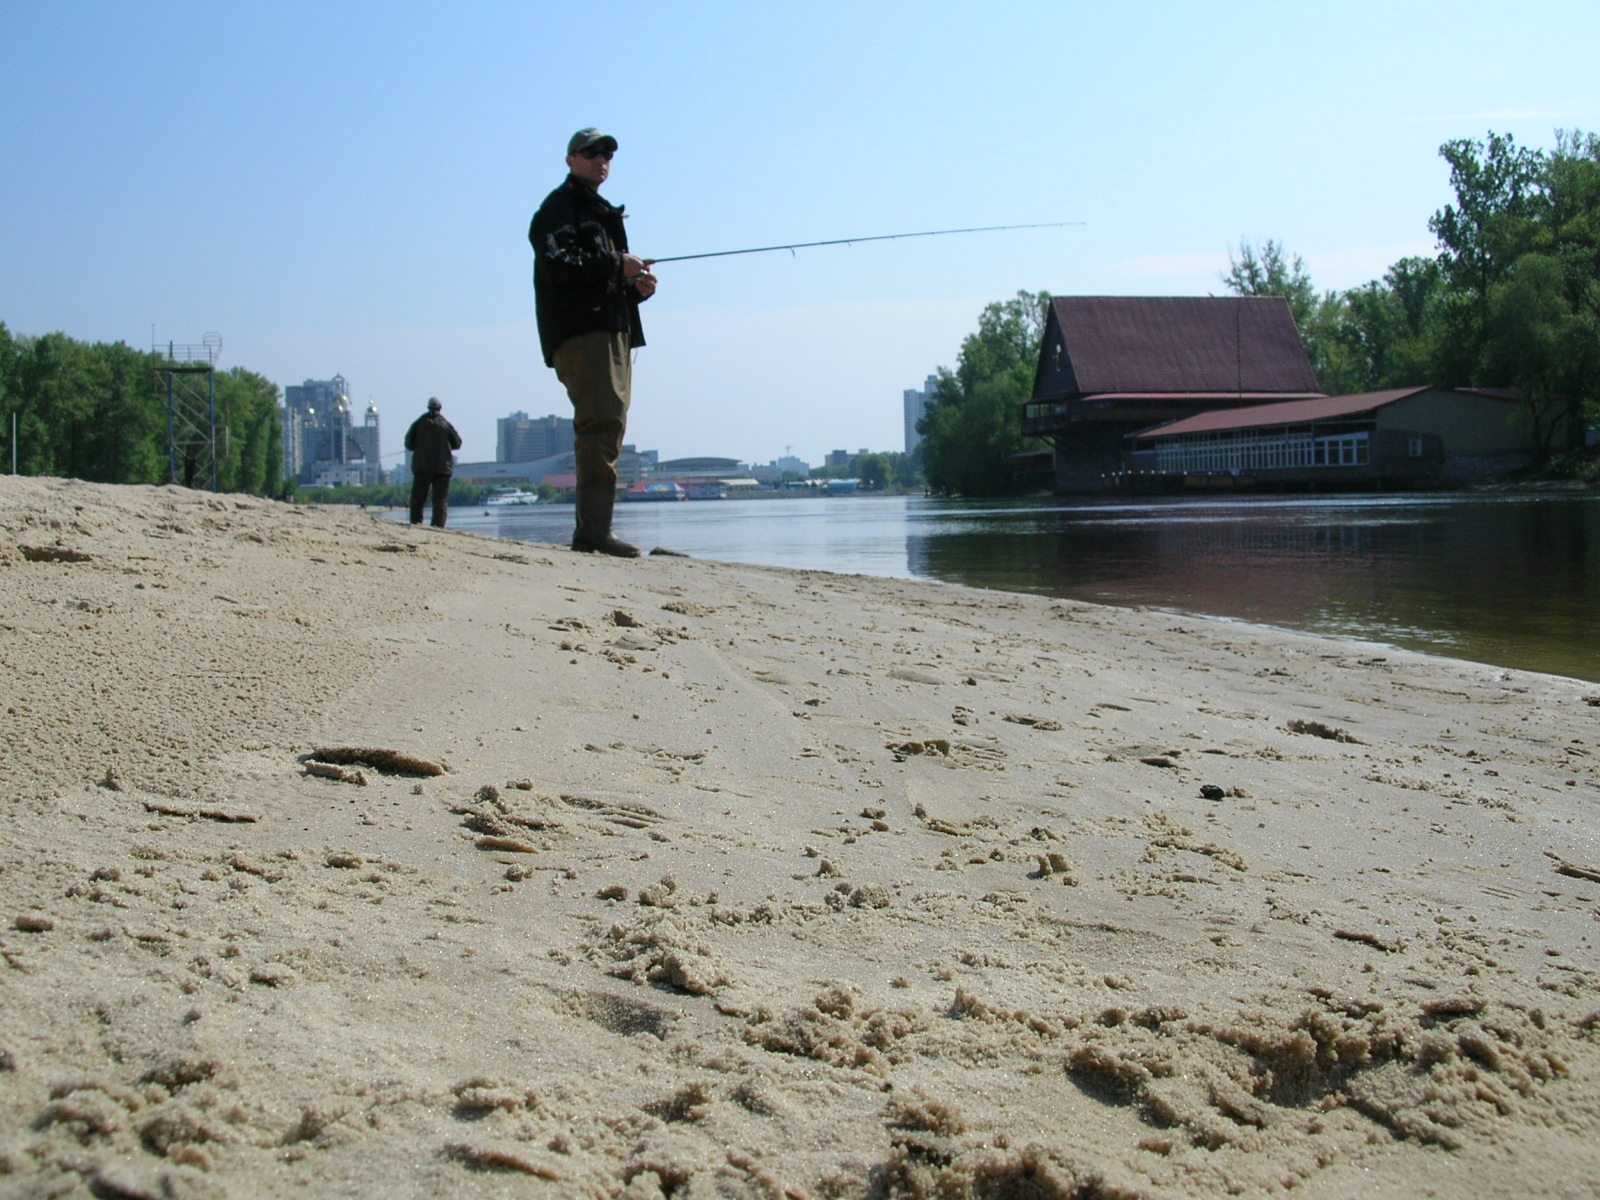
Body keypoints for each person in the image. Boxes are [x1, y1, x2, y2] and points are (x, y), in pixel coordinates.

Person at [528, 127, 658, 557]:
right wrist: (617, 264)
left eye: (607, 154)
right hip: (584, 333)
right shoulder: (558, 209)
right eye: (591, 153)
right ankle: (594, 533)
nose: (601, 160)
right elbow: (560, 265)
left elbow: (598, 276)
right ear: (571, 160)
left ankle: (595, 529)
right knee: (600, 423)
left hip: (612, 330)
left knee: (610, 424)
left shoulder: (601, 213)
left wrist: (634, 288)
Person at [404, 397, 462, 528]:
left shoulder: (418, 423)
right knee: (440, 499)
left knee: (418, 498)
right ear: (440, 408)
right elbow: (457, 443)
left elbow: (408, 443)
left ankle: (416, 523)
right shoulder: (445, 424)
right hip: (443, 468)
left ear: (428, 407)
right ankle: (438, 525)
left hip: (422, 467)